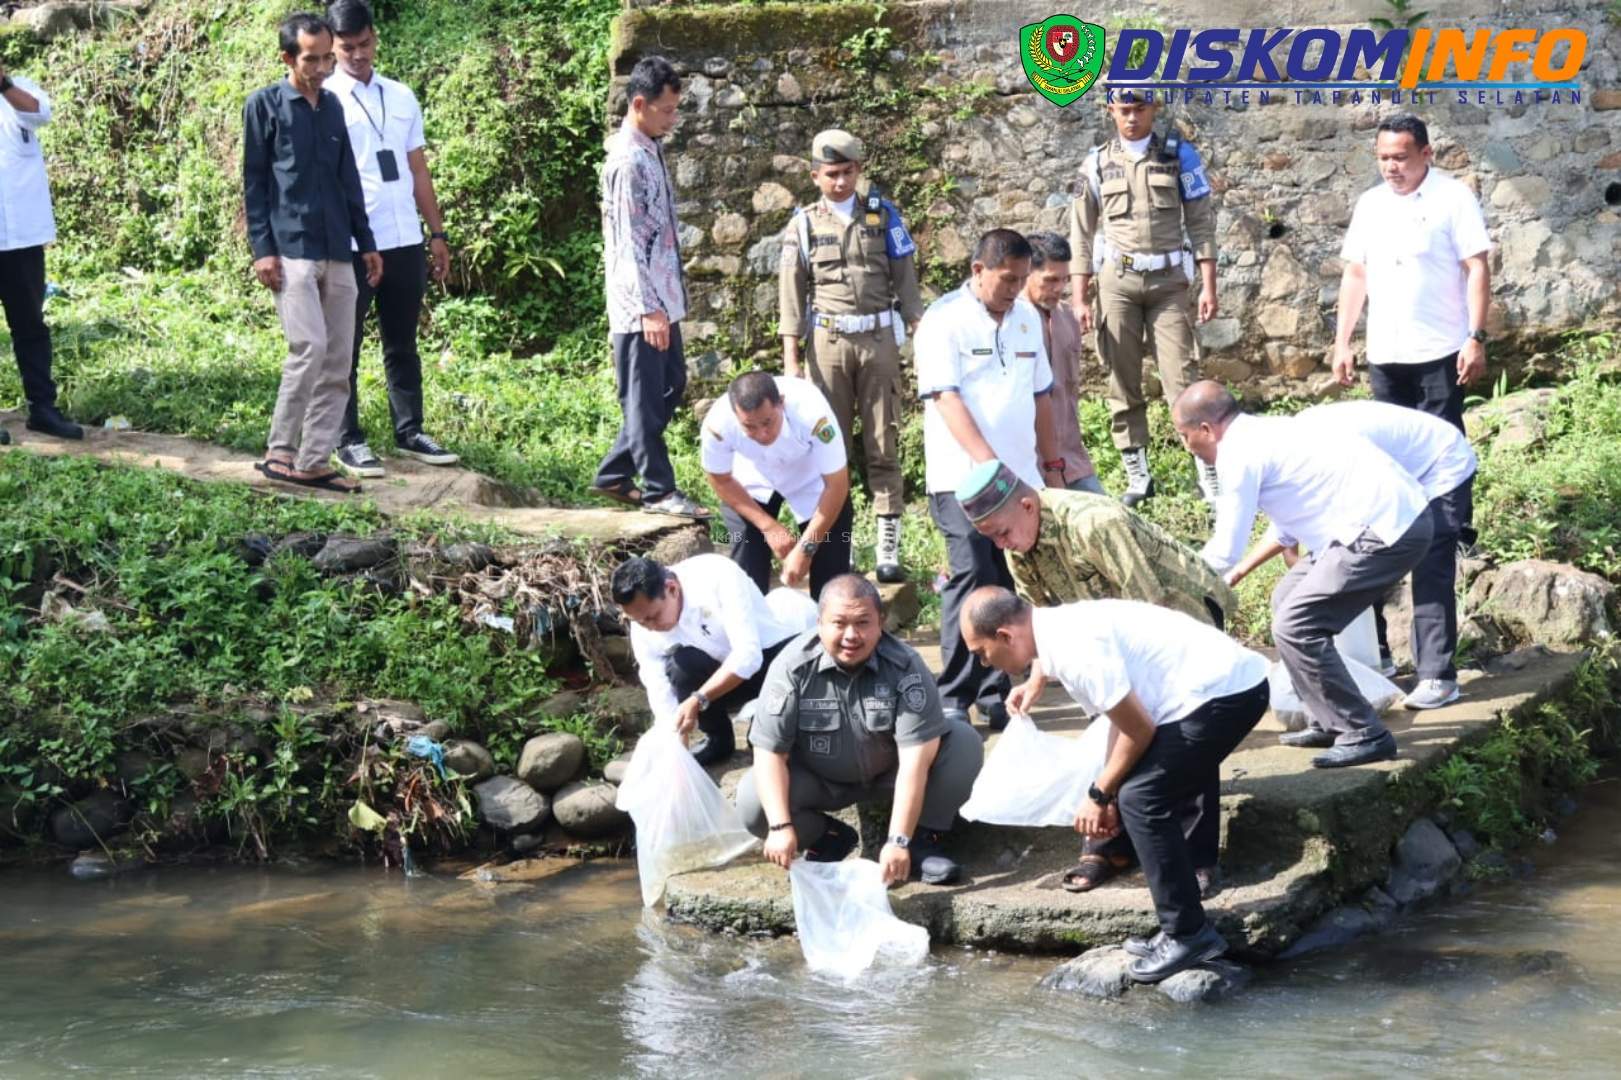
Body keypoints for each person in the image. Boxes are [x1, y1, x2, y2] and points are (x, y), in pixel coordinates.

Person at [960, 587, 1269, 983]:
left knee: (1142, 798)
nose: (986, 664)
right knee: (1135, 793)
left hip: (1228, 694)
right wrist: (1104, 792)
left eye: (981, 653)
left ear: (1005, 635)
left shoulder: (1072, 649)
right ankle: (1181, 927)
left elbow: (1139, 730)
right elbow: (1119, 721)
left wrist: (1099, 794)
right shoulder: (1059, 633)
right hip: (1213, 691)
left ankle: (1188, 934)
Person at [958, 458, 1238, 893]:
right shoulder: (1018, 548)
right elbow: (1039, 624)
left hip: (1179, 615)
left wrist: (1125, 683)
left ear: (1028, 506)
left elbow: (1150, 605)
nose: (1002, 544)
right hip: (1104, 637)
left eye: (1002, 531)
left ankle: (1196, 857)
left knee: (1176, 726)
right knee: (1109, 716)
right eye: (991, 538)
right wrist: (1035, 680)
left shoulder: (1095, 522)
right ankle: (1112, 846)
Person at [1174, 381, 1433, 769]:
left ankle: (1364, 732)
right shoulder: (1269, 431)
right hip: (1380, 523)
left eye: (1184, 435)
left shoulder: (1238, 454)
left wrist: (1174, 578)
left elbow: (1226, 546)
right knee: (1287, 598)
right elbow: (1290, 519)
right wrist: (1238, 570)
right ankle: (1326, 719)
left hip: (1384, 530)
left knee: (1296, 626)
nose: (1186, 445)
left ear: (1206, 430)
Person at [1226, 400, 1478, 711]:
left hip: (1440, 465)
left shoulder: (1323, 438)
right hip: (1388, 494)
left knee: (1428, 564)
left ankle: (1437, 676)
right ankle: (1378, 658)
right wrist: (1239, 570)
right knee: (1357, 557)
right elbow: (1287, 525)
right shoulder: (1293, 442)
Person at [738, 574, 983, 886]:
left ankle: (923, 841)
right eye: (839, 623)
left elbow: (914, 763)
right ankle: (827, 838)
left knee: (964, 742)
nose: (851, 635)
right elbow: (770, 751)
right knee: (751, 800)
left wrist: (899, 842)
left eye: (863, 623)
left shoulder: (905, 665)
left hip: (892, 775)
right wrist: (780, 827)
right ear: (819, 622)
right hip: (820, 780)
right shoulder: (792, 667)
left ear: (881, 622)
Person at [916, 228, 1064, 731]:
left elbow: (1042, 395)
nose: (1015, 289)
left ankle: (998, 690)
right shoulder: (943, 322)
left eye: (1023, 280)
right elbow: (945, 398)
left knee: (1010, 582)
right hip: (962, 481)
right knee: (972, 578)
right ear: (978, 271)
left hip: (1021, 483)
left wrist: (1052, 463)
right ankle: (954, 693)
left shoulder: (1026, 318)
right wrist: (988, 469)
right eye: (1007, 279)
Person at [244, 11, 383, 493]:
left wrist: (366, 243)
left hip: (338, 247)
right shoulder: (264, 105)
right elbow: (255, 183)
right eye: (313, 59)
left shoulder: (333, 107)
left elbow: (349, 180)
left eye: (328, 57)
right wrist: (263, 250)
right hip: (291, 248)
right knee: (309, 348)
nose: (324, 66)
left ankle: (315, 459)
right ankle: (279, 452)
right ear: (288, 57)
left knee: (339, 358)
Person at [778, 129, 925, 582]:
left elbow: (906, 280)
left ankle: (887, 546)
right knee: (829, 449)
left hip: (878, 338)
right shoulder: (802, 224)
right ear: (815, 175)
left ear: (858, 170)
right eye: (830, 174)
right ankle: (838, 545)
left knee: (883, 443)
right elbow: (791, 296)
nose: (839, 182)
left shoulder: (884, 217)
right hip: (829, 344)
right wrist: (792, 361)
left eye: (846, 173)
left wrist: (918, 333)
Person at [325, 0, 458, 478]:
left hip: (404, 236)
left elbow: (417, 168)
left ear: (375, 37)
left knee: (402, 341)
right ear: (332, 45)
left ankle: (410, 430)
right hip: (356, 244)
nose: (358, 55)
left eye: (364, 44)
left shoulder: (401, 96)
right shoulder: (325, 99)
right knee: (346, 341)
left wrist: (436, 232)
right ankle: (347, 437)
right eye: (347, 48)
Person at [1068, 92, 1219, 506]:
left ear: (1154, 109)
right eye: (1124, 110)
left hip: (1169, 282)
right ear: (1111, 112)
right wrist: (1080, 298)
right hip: (1117, 281)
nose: (1131, 118)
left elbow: (1202, 221)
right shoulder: (1096, 163)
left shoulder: (1179, 155)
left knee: (1182, 380)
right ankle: (1138, 475)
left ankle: (1207, 472)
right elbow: (1081, 234)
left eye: (1140, 109)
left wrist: (1209, 284)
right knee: (1121, 378)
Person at [593, 56, 706, 519]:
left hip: (662, 300)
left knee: (670, 385)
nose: (673, 118)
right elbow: (626, 246)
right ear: (639, 104)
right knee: (644, 397)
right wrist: (648, 310)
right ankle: (658, 490)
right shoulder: (626, 161)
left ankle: (615, 473)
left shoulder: (649, 147)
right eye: (666, 109)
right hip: (640, 306)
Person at [1332, 114, 1492, 432]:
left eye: (1401, 158)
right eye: (1384, 158)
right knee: (1395, 449)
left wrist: (1475, 337)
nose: (1392, 167)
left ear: (1426, 154)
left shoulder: (1453, 198)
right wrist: (1342, 343)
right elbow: (1356, 275)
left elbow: (1477, 268)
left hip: (1441, 350)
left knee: (1442, 446)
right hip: (1385, 353)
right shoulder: (1370, 204)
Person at [611, 554, 813, 767]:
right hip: (719, 683)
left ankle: (767, 716)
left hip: (770, 661)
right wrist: (676, 745)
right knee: (681, 665)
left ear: (672, 589)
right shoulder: (641, 619)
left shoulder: (716, 574)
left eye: (654, 617)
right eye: (640, 622)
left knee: (767, 743)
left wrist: (699, 698)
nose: (649, 626)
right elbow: (658, 686)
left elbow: (748, 655)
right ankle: (718, 740)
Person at [701, 370, 853, 601]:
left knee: (831, 582)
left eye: (768, 422)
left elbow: (837, 484)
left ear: (781, 403)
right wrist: (769, 527)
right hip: (752, 479)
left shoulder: (812, 413)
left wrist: (806, 548)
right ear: (735, 415)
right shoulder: (718, 424)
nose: (762, 434)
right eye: (749, 426)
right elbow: (720, 478)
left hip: (811, 478)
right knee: (746, 579)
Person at [0, 60, 81, 441]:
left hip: (22, 238)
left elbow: (40, 113)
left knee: (30, 325)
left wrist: (4, 84)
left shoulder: (21, 90)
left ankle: (43, 410)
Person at [1023, 232, 1103, 494]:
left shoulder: (1067, 318)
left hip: (1072, 460)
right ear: (1025, 273)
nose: (1058, 288)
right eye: (1050, 280)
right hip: (1027, 466)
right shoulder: (1012, 323)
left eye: (1064, 280)